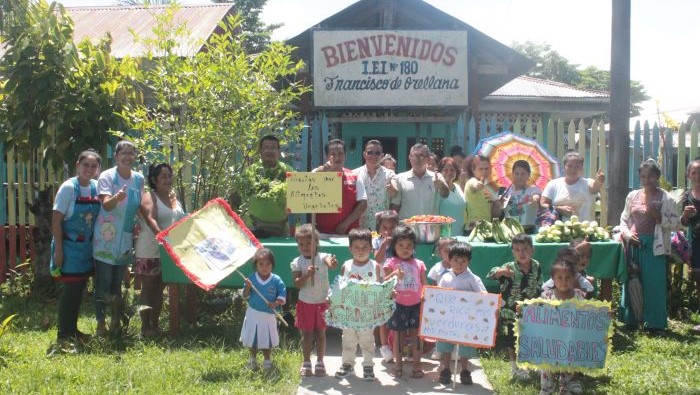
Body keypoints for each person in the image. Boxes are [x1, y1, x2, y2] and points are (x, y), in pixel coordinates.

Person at [619, 159, 679, 331]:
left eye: (651, 176)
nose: (647, 180)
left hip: (655, 245)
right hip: (634, 244)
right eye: (643, 176)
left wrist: (658, 217)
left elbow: (676, 224)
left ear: (658, 176)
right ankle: (630, 320)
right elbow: (624, 220)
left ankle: (654, 324)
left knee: (654, 284)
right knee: (632, 281)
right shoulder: (632, 196)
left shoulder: (666, 198)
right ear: (639, 177)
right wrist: (629, 235)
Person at [92, 140, 145, 336]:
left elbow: (142, 206)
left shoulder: (139, 179)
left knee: (117, 282)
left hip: (125, 237)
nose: (128, 157)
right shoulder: (107, 176)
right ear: (116, 156)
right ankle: (100, 323)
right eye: (124, 153)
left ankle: (115, 322)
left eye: (131, 153)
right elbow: (106, 205)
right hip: (106, 236)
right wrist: (117, 197)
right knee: (103, 281)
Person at [50, 150, 102, 344]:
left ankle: (72, 330)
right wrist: (59, 251)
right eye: (85, 165)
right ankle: (64, 334)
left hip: (86, 249)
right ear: (77, 166)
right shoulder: (68, 188)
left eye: (93, 166)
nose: (89, 169)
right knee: (71, 290)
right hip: (69, 247)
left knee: (79, 289)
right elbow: (56, 220)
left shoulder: (97, 188)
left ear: (98, 169)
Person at [135, 163, 185, 337]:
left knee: (159, 290)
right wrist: (163, 237)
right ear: (154, 180)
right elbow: (151, 219)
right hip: (150, 250)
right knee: (148, 290)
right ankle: (144, 327)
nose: (167, 180)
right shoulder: (150, 197)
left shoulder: (174, 198)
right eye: (163, 176)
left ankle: (155, 326)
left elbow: (183, 220)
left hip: (169, 251)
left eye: (169, 176)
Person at [486, 233, 542, 380]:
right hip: (510, 311)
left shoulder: (536, 266)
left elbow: (540, 284)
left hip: (530, 310)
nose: (521, 253)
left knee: (529, 337)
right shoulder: (509, 267)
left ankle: (529, 365)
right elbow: (491, 274)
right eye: (517, 249)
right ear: (512, 252)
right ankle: (514, 368)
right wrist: (500, 272)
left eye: (525, 249)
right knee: (512, 338)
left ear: (533, 250)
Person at [291, 224, 339, 377]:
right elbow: (297, 283)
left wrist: (333, 263)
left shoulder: (323, 257)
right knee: (307, 335)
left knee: (320, 334)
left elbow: (330, 263)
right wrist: (306, 275)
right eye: (301, 244)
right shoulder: (297, 262)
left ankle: (320, 361)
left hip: (322, 302)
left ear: (316, 243)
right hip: (306, 302)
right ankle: (306, 362)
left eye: (308, 243)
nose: (305, 247)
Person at [334, 228, 381, 381]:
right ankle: (347, 364)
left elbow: (380, 289)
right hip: (349, 312)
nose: (361, 251)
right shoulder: (346, 266)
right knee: (348, 339)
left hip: (367, 312)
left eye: (365, 247)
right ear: (350, 248)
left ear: (371, 248)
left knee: (367, 340)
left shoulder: (375, 267)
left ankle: (368, 365)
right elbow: (340, 288)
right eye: (356, 247)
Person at [436, 242, 486, 386]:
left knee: (464, 347)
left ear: (468, 261)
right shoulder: (445, 278)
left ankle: (465, 371)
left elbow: (482, 295)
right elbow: (438, 295)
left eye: (463, 261)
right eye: (456, 260)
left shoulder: (472, 278)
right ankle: (446, 370)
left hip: (466, 321)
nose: (459, 264)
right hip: (448, 320)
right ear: (449, 260)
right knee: (446, 346)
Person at [383, 226, 428, 378]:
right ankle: (398, 365)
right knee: (398, 336)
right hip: (398, 305)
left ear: (414, 247)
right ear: (394, 246)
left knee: (416, 336)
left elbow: (425, 285)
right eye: (401, 245)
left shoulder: (419, 263)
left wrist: (425, 297)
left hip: (416, 305)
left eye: (409, 245)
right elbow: (384, 283)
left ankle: (416, 366)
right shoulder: (390, 262)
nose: (405, 249)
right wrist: (395, 274)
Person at [538, 258, 585, 395]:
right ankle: (546, 389)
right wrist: (524, 310)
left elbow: (588, 312)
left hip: (570, 339)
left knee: (569, 364)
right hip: (550, 339)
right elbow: (536, 311)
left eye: (567, 277)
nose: (564, 281)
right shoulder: (547, 295)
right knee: (547, 366)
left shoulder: (578, 296)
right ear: (553, 279)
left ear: (574, 277)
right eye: (559, 277)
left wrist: (604, 314)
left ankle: (567, 387)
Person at [240, 248, 287, 371]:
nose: (264, 267)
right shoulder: (251, 279)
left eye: (268, 264)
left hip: (268, 316)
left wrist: (276, 302)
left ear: (272, 265)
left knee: (267, 340)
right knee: (252, 338)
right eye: (261, 264)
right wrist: (247, 287)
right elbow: (245, 295)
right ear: (256, 265)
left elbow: (282, 294)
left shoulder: (276, 280)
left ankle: (267, 360)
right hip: (253, 313)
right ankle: (252, 359)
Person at [239, 135, 294, 237]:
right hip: (255, 225)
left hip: (280, 226)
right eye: (266, 148)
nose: (270, 151)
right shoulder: (250, 171)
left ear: (278, 151)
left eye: (273, 148)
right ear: (260, 151)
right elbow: (241, 198)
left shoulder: (288, 171)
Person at [313, 139, 367, 235]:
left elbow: (363, 203)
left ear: (345, 155)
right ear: (327, 157)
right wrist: (322, 172)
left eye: (341, 153)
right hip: (323, 233)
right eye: (333, 154)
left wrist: (345, 224)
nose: (337, 157)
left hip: (349, 233)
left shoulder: (355, 176)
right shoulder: (317, 173)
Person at [540, 151, 605, 222]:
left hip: (583, 229)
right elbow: (543, 203)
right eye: (569, 166)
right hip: (557, 229)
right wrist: (558, 208)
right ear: (564, 166)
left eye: (577, 167)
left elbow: (595, 187)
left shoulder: (587, 183)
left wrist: (599, 181)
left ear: (581, 168)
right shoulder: (553, 184)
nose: (573, 170)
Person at [390, 143, 449, 220]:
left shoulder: (436, 177)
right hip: (407, 229)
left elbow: (445, 194)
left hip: (429, 228)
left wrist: (441, 185)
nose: (418, 159)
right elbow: (395, 206)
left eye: (421, 156)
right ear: (410, 157)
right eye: (414, 156)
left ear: (427, 159)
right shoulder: (400, 179)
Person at [372, 209, 399, 361]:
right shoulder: (377, 241)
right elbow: (377, 258)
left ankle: (397, 346)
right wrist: (384, 244)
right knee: (383, 316)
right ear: (379, 229)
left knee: (396, 314)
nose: (388, 231)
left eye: (392, 228)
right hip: (382, 282)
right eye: (384, 228)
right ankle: (384, 346)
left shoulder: (400, 241)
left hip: (397, 283)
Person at [353, 140, 396, 231]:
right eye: (370, 152)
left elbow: (394, 193)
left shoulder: (389, 174)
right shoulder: (355, 174)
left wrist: (393, 190)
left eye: (377, 153)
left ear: (382, 156)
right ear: (364, 154)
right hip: (360, 228)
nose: (373, 155)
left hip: (382, 228)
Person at [679, 158, 700, 332]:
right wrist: (685, 214)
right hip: (696, 242)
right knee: (699, 280)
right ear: (688, 175)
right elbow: (684, 223)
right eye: (694, 172)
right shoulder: (687, 196)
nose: (697, 175)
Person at [464, 155, 502, 231]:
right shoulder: (471, 181)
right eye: (480, 169)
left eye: (486, 168)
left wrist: (498, 204)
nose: (484, 171)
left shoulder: (488, 188)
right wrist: (478, 185)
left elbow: (495, 215)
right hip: (473, 227)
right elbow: (474, 186)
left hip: (486, 227)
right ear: (473, 170)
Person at [503, 160, 541, 230]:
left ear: (528, 175)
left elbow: (536, 197)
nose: (519, 177)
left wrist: (534, 198)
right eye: (516, 173)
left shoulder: (533, 190)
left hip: (529, 229)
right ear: (512, 174)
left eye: (523, 174)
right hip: (510, 229)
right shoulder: (507, 191)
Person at [436, 157, 466, 235]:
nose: (449, 173)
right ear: (440, 172)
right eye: (445, 170)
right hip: (444, 236)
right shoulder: (437, 190)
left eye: (452, 170)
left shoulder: (458, 187)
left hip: (460, 235)